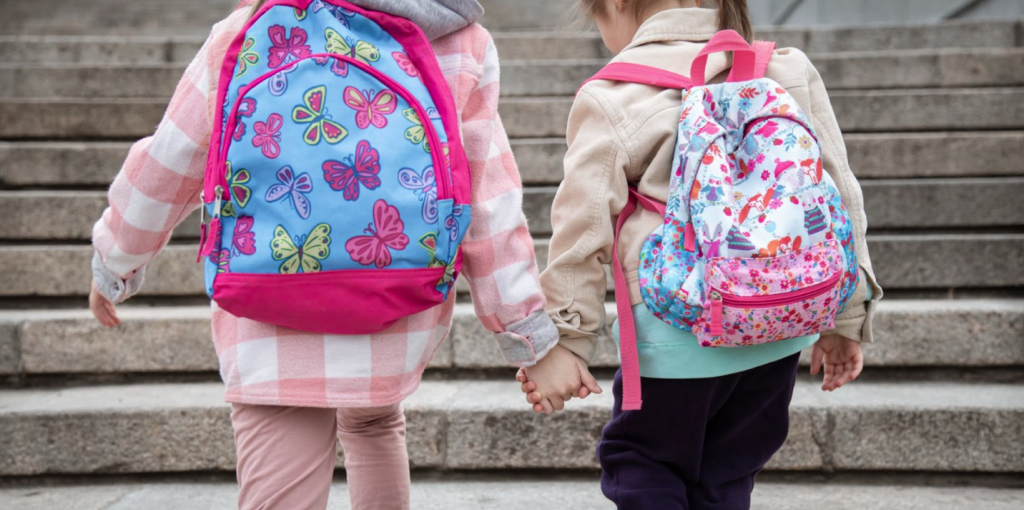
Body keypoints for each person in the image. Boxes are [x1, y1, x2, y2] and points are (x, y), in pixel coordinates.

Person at [88, 1, 559, 509]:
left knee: (282, 455)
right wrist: (524, 330)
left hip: (265, 298)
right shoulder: (461, 40)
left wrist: (116, 260)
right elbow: (489, 200)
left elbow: (169, 160)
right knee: (375, 422)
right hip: (394, 294)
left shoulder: (246, 29)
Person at [518, 0, 883, 508]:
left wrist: (568, 341)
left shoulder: (612, 95)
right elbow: (839, 197)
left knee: (643, 462)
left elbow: (582, 231)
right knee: (728, 474)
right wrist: (846, 315)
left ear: (618, 4)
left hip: (678, 331)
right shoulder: (788, 69)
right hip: (779, 323)